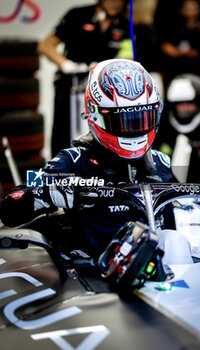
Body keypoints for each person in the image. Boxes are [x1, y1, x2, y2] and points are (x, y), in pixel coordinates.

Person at [0, 59, 189, 265]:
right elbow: (10, 204)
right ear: (95, 116)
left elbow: (178, 228)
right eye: (122, 121)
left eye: (141, 119)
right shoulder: (72, 161)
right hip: (91, 279)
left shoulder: (160, 163)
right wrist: (47, 191)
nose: (134, 130)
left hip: (154, 275)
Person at [37, 0, 133, 157]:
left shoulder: (124, 24)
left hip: (102, 93)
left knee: (100, 137)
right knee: (63, 135)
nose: (115, 3)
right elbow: (46, 45)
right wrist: (66, 64)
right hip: (70, 88)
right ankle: (60, 174)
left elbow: (128, 57)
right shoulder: (78, 15)